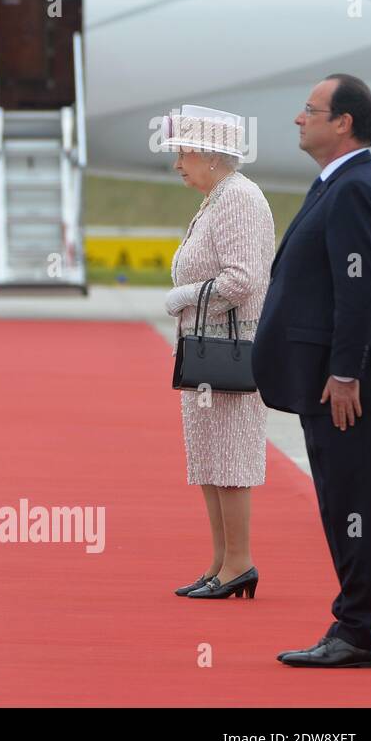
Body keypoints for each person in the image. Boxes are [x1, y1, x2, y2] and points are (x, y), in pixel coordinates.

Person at [253, 74, 371, 669]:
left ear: (344, 122)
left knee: (351, 503)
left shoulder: (354, 187)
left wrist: (344, 374)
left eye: (310, 110)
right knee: (341, 504)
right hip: (329, 382)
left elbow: (356, 291)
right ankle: (354, 624)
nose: (298, 118)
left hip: (344, 388)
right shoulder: (338, 183)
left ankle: (359, 631)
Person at [159, 106, 274, 599]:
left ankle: (240, 563)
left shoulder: (239, 199)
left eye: (184, 152)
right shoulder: (218, 197)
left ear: (211, 155)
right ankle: (220, 561)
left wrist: (186, 296)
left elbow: (243, 280)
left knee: (230, 458)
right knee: (208, 458)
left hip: (230, 347)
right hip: (206, 347)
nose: (178, 164)